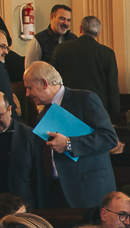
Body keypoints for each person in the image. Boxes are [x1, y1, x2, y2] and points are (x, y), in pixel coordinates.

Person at [23, 60, 120, 208]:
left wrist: (69, 143)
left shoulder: (84, 99)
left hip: (87, 191)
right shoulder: (42, 115)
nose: (27, 93)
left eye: (29, 88)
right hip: (54, 192)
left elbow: (109, 138)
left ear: (44, 83)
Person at [53, 16, 122, 117]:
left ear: (80, 28)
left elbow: (53, 80)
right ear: (99, 33)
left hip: (67, 108)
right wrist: (115, 114)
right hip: (96, 109)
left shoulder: (61, 49)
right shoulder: (107, 53)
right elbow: (112, 88)